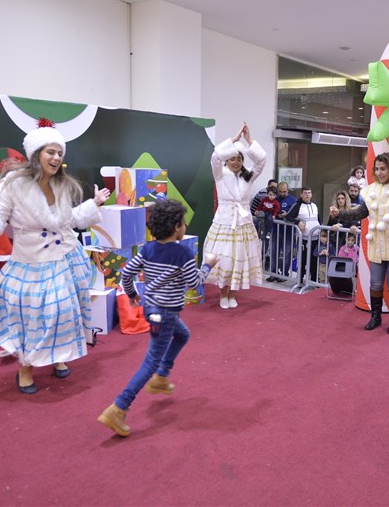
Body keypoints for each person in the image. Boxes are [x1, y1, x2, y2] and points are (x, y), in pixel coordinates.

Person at [0, 121, 110, 394]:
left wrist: (94, 204)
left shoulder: (61, 185)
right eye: (50, 152)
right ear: (36, 154)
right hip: (31, 264)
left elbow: (67, 221)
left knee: (63, 314)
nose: (56, 158)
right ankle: (26, 367)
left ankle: (58, 356)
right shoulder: (13, 184)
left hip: (65, 258)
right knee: (33, 320)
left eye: (60, 153)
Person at [97, 199, 217, 437]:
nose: (185, 226)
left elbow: (127, 273)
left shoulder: (148, 249)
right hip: (166, 313)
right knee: (150, 361)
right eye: (183, 223)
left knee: (183, 335)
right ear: (176, 227)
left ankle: (162, 376)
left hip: (153, 309)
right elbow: (194, 283)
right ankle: (119, 407)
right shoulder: (183, 253)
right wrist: (208, 265)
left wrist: (132, 294)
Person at [330, 152, 389, 334]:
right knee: (375, 283)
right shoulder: (370, 189)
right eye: (377, 169)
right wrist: (339, 214)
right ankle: (375, 317)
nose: (379, 172)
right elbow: (360, 213)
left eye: (383, 169)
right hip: (377, 245)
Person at [203, 122, 266, 309]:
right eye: (232, 158)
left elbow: (261, 162)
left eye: (239, 158)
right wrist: (234, 139)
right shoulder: (220, 175)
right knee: (225, 260)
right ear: (226, 160)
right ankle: (223, 295)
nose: (236, 162)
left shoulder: (248, 177)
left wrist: (249, 140)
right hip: (224, 222)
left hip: (243, 224)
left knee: (240, 259)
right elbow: (214, 157)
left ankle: (233, 294)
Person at [285, 186, 321, 283]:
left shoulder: (314, 205)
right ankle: (299, 281)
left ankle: (313, 281)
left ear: (311, 194)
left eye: (309, 193)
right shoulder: (297, 205)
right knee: (302, 260)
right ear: (301, 194)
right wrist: (298, 222)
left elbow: (318, 220)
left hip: (315, 238)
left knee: (314, 260)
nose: (307, 195)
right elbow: (288, 217)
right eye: (305, 193)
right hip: (303, 239)